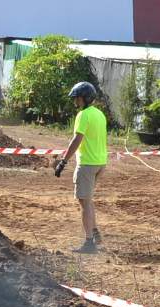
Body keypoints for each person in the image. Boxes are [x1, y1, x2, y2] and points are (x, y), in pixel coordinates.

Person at [54, 81, 107, 254]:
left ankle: (89, 242)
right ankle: (95, 233)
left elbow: (77, 140)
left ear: (84, 98)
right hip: (100, 162)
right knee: (88, 199)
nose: (75, 101)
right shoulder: (99, 114)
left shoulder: (83, 115)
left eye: (77, 98)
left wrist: (63, 161)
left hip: (87, 164)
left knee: (84, 202)